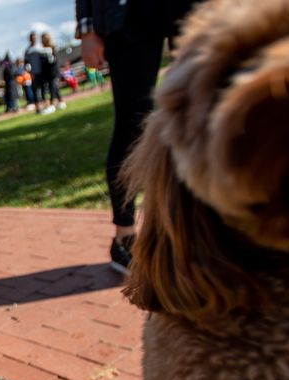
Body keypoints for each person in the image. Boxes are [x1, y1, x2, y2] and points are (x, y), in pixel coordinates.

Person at [76, 0, 198, 274]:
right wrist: (87, 30)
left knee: (201, 108)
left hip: (187, 7)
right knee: (133, 123)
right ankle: (125, 235)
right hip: (127, 13)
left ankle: (202, 227)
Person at [24, 32, 53, 115]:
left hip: (42, 72)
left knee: (44, 90)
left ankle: (47, 106)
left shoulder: (40, 47)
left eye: (35, 38)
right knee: (35, 91)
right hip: (34, 74)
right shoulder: (28, 50)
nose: (34, 39)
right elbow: (26, 63)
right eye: (32, 38)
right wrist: (30, 72)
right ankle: (38, 108)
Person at [41, 32, 66, 110]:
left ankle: (52, 104)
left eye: (46, 38)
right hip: (47, 72)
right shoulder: (42, 50)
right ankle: (61, 101)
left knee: (53, 87)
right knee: (55, 87)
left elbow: (55, 59)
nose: (45, 40)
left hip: (54, 71)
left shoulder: (53, 47)